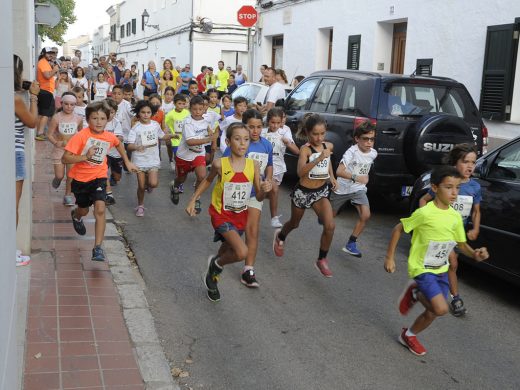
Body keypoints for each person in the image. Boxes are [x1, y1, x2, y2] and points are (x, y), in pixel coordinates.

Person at [384, 166, 489, 356]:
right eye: (449, 187)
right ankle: (416, 291)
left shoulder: (455, 217)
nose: (454, 192)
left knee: (433, 312)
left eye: (457, 188)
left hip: (441, 269)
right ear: (434, 187)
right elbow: (399, 228)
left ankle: (409, 335)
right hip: (422, 268)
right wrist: (389, 257)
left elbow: (461, 244)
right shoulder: (425, 213)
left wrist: (475, 254)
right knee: (441, 308)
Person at [186, 122, 272, 301]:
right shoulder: (219, 164)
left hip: (240, 215)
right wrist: (194, 199)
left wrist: (265, 188)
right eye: (237, 139)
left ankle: (212, 277)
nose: (242, 143)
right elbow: (208, 181)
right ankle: (215, 266)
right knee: (241, 252)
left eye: (246, 140)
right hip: (221, 214)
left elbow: (259, 197)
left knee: (225, 252)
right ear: (227, 141)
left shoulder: (254, 165)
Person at [62, 101, 138, 261]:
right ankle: (76, 216)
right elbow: (65, 158)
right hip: (80, 180)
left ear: (108, 120)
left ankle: (97, 248)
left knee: (100, 209)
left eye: (102, 118)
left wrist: (127, 162)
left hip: (99, 177)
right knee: (83, 210)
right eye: (94, 118)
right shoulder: (81, 136)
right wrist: (85, 157)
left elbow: (119, 145)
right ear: (88, 119)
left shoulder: (109, 136)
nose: (98, 122)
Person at [418, 144, 482, 317]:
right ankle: (455, 298)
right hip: (440, 232)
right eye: (465, 162)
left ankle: (433, 293)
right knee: (452, 263)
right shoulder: (446, 183)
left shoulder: (474, 187)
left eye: (473, 162)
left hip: (457, 234)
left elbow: (476, 211)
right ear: (455, 163)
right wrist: (425, 221)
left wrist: (475, 228)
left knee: (449, 266)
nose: (470, 166)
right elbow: (424, 200)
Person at [272, 113, 337, 277]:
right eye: (315, 134)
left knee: (330, 226)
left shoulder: (328, 146)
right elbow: (301, 172)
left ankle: (321, 259)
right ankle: (280, 236)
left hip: (320, 192)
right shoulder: (305, 150)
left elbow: (327, 162)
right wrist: (318, 158)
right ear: (308, 133)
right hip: (303, 192)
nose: (319, 137)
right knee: (294, 224)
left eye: (322, 134)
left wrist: (332, 177)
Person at [222, 109, 273, 287]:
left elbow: (269, 166)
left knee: (253, 230)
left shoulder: (267, 145)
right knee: (234, 234)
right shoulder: (237, 144)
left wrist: (269, 180)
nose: (255, 131)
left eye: (259, 127)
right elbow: (223, 168)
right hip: (234, 195)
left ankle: (248, 270)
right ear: (244, 126)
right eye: (251, 127)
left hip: (254, 194)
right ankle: (222, 257)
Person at [329, 120, 377, 257]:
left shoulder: (373, 153)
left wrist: (361, 180)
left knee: (365, 215)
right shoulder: (351, 152)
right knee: (329, 218)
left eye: (372, 139)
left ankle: (351, 243)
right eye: (365, 139)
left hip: (358, 189)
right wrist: (357, 177)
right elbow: (339, 171)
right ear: (357, 139)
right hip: (342, 189)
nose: (369, 142)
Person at [169, 96, 219, 210]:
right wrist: (208, 140)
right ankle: (174, 187)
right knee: (181, 179)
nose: (197, 112)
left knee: (201, 176)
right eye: (195, 109)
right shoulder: (187, 122)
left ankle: (196, 198)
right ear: (190, 109)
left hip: (198, 154)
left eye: (200, 109)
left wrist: (212, 135)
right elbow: (190, 141)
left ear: (204, 109)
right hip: (184, 155)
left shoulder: (206, 119)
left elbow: (213, 127)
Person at [14, 54, 40, 265]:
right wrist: (33, 97)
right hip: (14, 154)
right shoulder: (14, 98)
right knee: (12, 205)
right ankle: (9, 252)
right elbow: (32, 122)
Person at [127, 100, 172, 216]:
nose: (146, 115)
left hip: (152, 160)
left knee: (153, 183)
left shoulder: (155, 125)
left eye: (148, 112)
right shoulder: (135, 128)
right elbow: (129, 145)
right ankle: (140, 206)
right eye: (143, 112)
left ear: (152, 113)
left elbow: (162, 136)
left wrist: (171, 136)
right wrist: (137, 147)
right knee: (141, 186)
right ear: (138, 113)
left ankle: (149, 185)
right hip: (140, 160)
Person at [262, 108, 299, 228]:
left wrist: (288, 143)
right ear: (268, 121)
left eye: (278, 123)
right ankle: (274, 217)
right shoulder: (262, 133)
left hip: (278, 168)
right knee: (274, 190)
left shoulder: (285, 132)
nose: (275, 125)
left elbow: (297, 151)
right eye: (273, 122)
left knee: (268, 193)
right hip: (264, 168)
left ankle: (258, 197)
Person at [47, 92, 83, 205]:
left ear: (75, 105)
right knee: (60, 175)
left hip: (72, 151)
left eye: (72, 104)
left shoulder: (78, 118)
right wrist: (56, 142)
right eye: (66, 104)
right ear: (61, 104)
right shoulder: (56, 117)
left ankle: (67, 195)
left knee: (70, 175)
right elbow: (49, 134)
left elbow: (81, 133)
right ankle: (57, 179)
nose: (69, 107)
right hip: (59, 150)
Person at [35, 47, 60, 140]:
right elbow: (47, 75)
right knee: (45, 113)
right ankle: (40, 133)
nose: (51, 55)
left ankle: (39, 132)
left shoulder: (45, 62)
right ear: (43, 53)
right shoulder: (43, 62)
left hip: (46, 91)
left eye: (52, 53)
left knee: (43, 113)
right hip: (45, 91)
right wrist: (55, 70)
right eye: (49, 53)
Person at [103, 98, 124, 205]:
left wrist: (112, 140)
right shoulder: (100, 121)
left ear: (115, 112)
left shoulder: (116, 123)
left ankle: (114, 177)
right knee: (103, 172)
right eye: (107, 112)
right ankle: (108, 194)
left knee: (117, 176)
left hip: (115, 153)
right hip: (104, 153)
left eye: (112, 112)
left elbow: (120, 138)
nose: (109, 115)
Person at [111, 85, 134, 172]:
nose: (116, 95)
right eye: (114, 93)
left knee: (126, 154)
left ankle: (126, 163)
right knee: (114, 156)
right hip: (113, 136)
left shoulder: (127, 105)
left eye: (119, 94)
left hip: (126, 136)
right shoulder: (108, 104)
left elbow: (135, 115)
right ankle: (114, 174)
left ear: (123, 95)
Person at [165, 93, 190, 174]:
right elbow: (164, 124)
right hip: (175, 140)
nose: (181, 106)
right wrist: (167, 134)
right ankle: (178, 170)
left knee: (183, 157)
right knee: (177, 157)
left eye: (183, 104)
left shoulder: (187, 113)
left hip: (185, 139)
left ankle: (180, 169)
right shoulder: (170, 114)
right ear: (174, 103)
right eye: (179, 103)